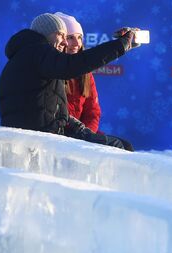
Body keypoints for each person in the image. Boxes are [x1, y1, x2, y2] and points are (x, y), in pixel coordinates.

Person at [0, 12, 138, 150]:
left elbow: (85, 111)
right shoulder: (39, 53)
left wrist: (82, 129)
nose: (65, 42)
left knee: (123, 145)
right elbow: (73, 65)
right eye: (62, 35)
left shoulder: (29, 56)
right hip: (39, 139)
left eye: (78, 37)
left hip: (43, 133)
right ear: (46, 33)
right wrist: (121, 44)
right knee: (118, 147)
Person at [55, 12, 134, 151]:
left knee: (126, 146)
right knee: (118, 146)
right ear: (60, 41)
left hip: (83, 132)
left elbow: (93, 111)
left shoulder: (85, 73)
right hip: (64, 133)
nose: (76, 43)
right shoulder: (54, 69)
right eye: (70, 38)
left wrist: (88, 134)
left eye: (79, 38)